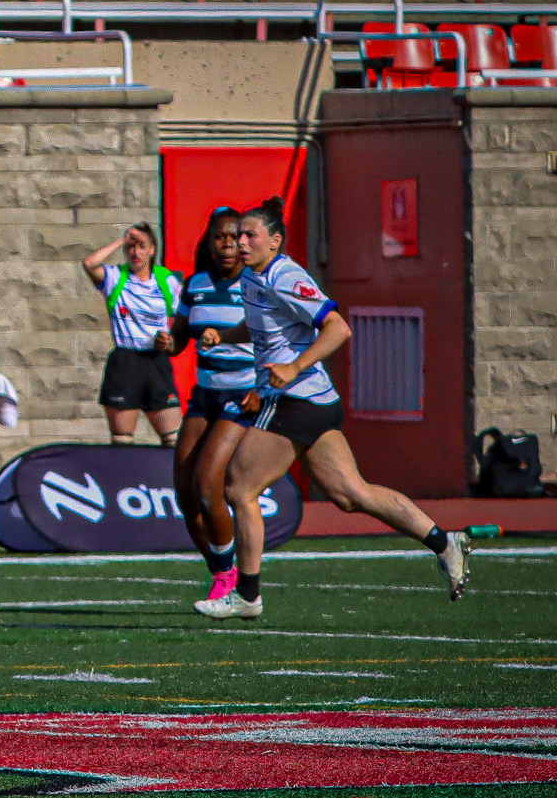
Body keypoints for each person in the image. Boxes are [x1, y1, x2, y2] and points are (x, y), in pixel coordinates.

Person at [194, 198, 471, 618]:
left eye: (249, 235)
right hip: (314, 402)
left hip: (296, 398)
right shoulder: (253, 279)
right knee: (351, 493)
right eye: (238, 235)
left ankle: (247, 596)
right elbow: (258, 327)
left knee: (239, 487)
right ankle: (444, 541)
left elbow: (338, 327)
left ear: (275, 241)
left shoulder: (285, 275)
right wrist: (226, 337)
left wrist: (294, 366)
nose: (241, 242)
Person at [168, 207, 257, 603]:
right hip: (204, 396)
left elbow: (276, 336)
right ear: (208, 241)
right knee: (184, 493)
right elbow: (178, 337)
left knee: (208, 485)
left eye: (233, 237)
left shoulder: (257, 285)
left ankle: (227, 576)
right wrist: (165, 343)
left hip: (241, 395)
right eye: (218, 237)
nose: (226, 244)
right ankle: (222, 569)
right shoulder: (195, 284)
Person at [82, 221, 183, 446]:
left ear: (152, 249)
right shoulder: (116, 277)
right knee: (122, 440)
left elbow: (181, 321)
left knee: (174, 439)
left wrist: (168, 341)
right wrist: (121, 240)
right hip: (126, 360)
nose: (135, 252)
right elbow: (89, 263)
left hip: (156, 361)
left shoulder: (167, 281)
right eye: (131, 247)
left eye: (141, 246)